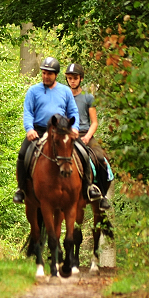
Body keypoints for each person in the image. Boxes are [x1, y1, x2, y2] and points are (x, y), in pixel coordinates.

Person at [13, 56, 102, 204]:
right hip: (39, 131)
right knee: (23, 154)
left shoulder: (65, 91)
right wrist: (29, 129)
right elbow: (28, 112)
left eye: (49, 73)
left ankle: (88, 187)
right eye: (44, 73)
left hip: (60, 132)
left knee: (84, 153)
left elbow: (73, 112)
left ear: (55, 75)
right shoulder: (33, 91)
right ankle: (21, 189)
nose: (46, 76)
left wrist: (74, 128)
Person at [65, 63, 111, 211]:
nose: (72, 81)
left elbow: (94, 122)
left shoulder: (88, 97)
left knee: (100, 158)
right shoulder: (62, 96)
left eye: (75, 78)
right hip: (66, 134)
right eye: (70, 78)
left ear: (81, 79)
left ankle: (102, 195)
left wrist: (87, 137)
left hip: (85, 134)